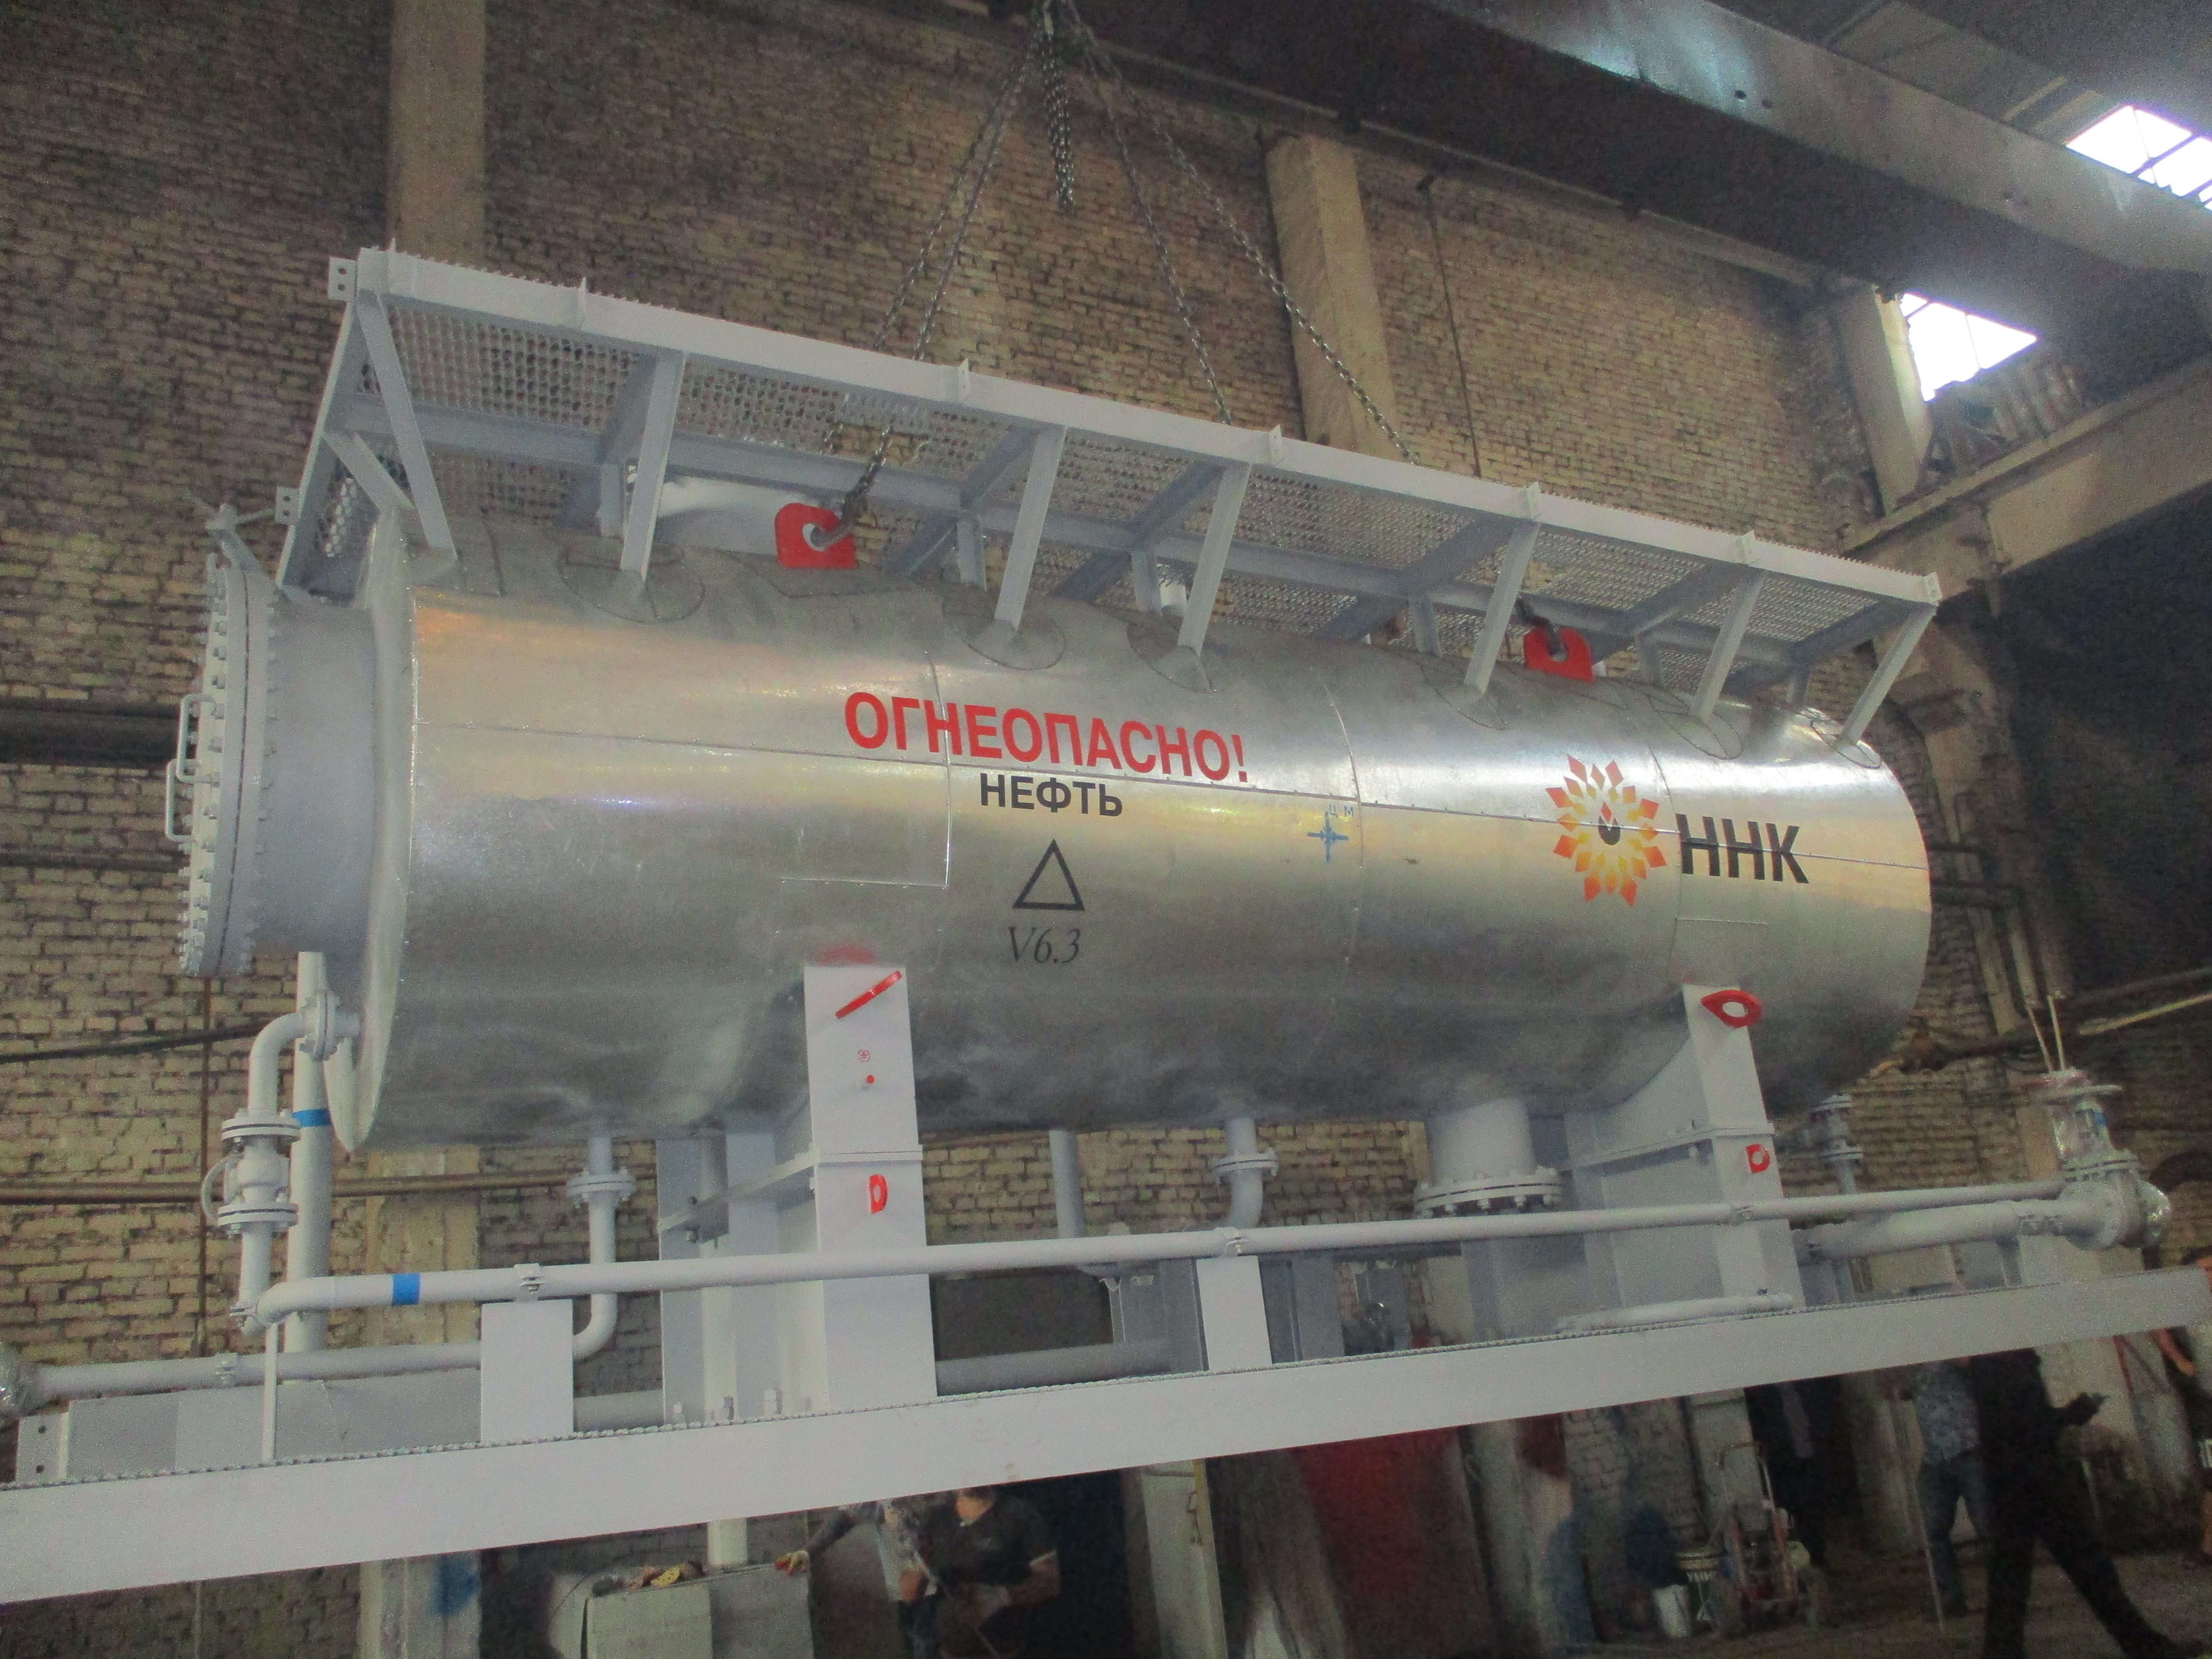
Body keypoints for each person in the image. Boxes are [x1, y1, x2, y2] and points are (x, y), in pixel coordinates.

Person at [1969, 1348, 2203, 1659]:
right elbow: (2027, 1423)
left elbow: (2016, 1422)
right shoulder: (2004, 1364)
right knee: (2087, 1569)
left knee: (2013, 1577)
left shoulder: (1989, 1365)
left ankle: (2003, 1652)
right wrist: (2073, 1414)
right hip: (2035, 1478)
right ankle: (2144, 1646)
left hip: (2012, 1481)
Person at [777, 1495, 945, 1659]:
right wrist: (807, 1552)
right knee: (919, 1642)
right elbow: (845, 1516)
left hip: (946, 1579)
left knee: (936, 1641)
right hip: (912, 1588)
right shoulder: (880, 1490)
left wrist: (923, 1567)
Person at [904, 1485, 1060, 1659]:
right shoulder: (936, 1517)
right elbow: (909, 1595)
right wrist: (915, 1562)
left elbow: (1050, 1582)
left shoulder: (1019, 1514)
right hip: (947, 1653)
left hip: (1004, 1651)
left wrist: (1002, 1597)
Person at [1896, 1358, 1993, 1618]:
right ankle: (1951, 1600)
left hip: (1969, 1449)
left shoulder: (1947, 1351)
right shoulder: (1912, 1366)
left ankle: (2005, 1595)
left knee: (1988, 1526)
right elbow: (1896, 1393)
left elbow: (1972, 1367)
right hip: (1936, 1457)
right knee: (1934, 1532)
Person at [2153, 1245, 2212, 1568]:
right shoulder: (2182, 1314)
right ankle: (2209, 1547)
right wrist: (2179, 1359)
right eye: (2204, 1271)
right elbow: (2161, 1332)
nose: (2209, 1277)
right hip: (2207, 1408)